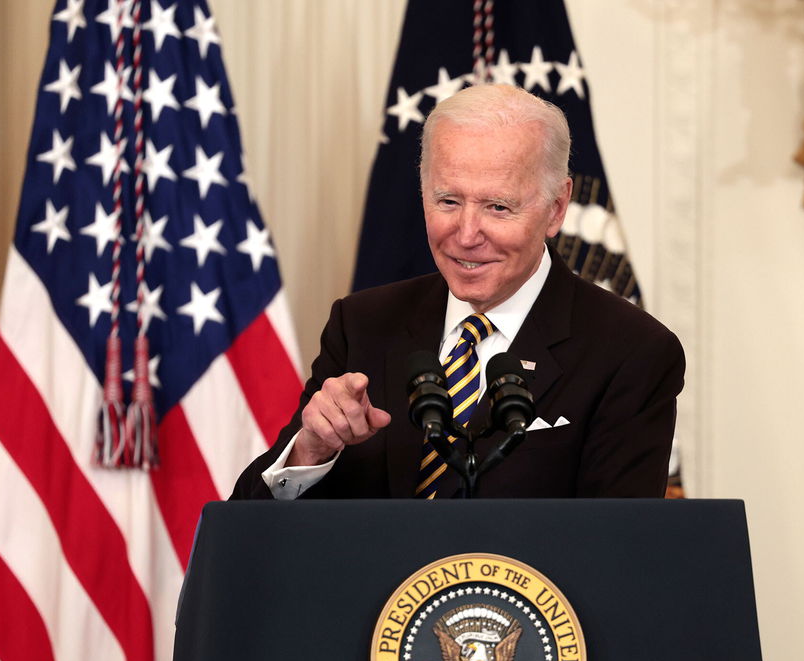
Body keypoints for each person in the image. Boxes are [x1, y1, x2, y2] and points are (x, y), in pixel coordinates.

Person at [230, 84, 684, 500]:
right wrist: (311, 451)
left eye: (498, 207)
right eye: (448, 201)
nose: (466, 235)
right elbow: (252, 532)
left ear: (556, 208)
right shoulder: (364, 324)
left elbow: (618, 553)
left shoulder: (632, 352)